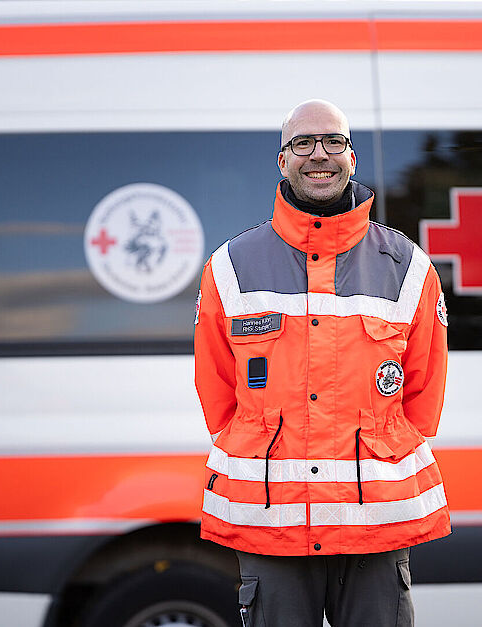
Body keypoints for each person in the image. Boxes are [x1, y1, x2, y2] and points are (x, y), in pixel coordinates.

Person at [194, 99, 450, 627]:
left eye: (334, 142)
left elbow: (422, 400)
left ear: (352, 157)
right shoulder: (229, 268)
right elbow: (219, 398)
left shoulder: (408, 268)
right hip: (271, 520)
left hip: (376, 518)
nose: (320, 155)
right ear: (281, 160)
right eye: (303, 143)